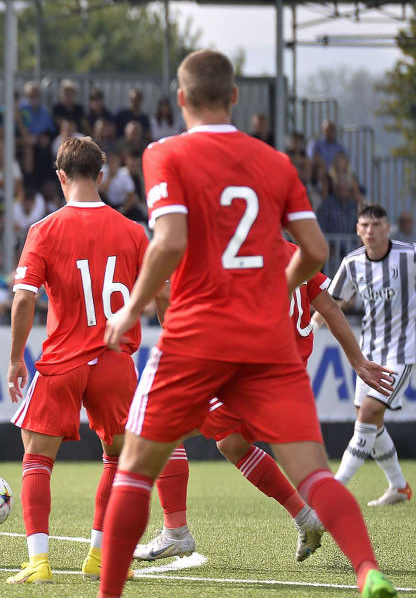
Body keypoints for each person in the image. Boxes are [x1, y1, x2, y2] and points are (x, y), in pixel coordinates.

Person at [63, 50, 405, 598]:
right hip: (268, 341)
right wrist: (276, 288)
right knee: (315, 473)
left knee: (135, 469)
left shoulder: (163, 153)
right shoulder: (274, 162)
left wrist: (133, 306)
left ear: (181, 97)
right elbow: (317, 252)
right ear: (235, 98)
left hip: (196, 336)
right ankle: (369, 573)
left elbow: (168, 241)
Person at [137, 238, 392, 563]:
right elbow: (328, 307)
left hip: (248, 379)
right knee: (232, 444)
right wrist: (357, 362)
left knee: (159, 430)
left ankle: (176, 533)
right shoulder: (293, 252)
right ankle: (306, 517)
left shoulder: (241, 258)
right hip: (285, 383)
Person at [5, 136, 155, 585]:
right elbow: (161, 293)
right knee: (118, 456)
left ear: (60, 177)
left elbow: (24, 299)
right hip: (114, 360)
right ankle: (98, 554)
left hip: (63, 360)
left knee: (37, 456)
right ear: (102, 176)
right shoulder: (133, 231)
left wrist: (16, 357)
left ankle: (39, 561)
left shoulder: (45, 229)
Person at [330, 204, 416, 505]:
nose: (370, 231)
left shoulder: (409, 255)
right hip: (369, 353)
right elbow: (332, 303)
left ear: (387, 227)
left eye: (376, 224)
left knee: (367, 414)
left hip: (403, 351)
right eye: (364, 225)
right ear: (357, 229)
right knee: (371, 422)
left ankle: (334, 488)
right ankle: (399, 486)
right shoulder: (352, 262)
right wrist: (309, 329)